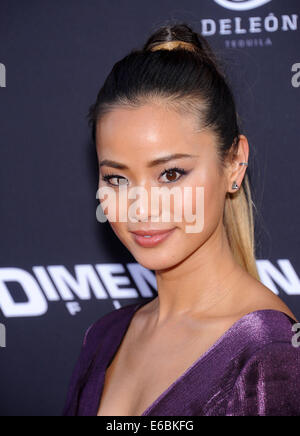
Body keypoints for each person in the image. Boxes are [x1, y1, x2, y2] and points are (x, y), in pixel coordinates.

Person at [63, 23, 300, 416]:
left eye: (170, 174)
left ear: (234, 164)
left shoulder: (269, 354)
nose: (140, 207)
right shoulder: (104, 338)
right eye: (117, 178)